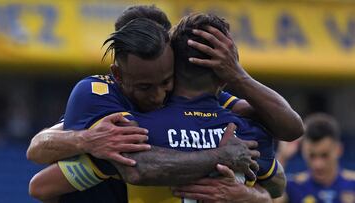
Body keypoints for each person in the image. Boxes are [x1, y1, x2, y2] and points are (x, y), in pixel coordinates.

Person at [27, 5, 302, 203]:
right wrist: (84, 140)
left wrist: (236, 74)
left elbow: (288, 130)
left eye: (165, 81)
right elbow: (38, 148)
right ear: (119, 73)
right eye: (145, 86)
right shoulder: (100, 99)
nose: (158, 95)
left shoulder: (207, 108)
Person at [275, 113, 355, 203]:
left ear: (338, 150)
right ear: (303, 151)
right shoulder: (294, 185)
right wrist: (282, 157)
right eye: (311, 156)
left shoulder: (353, 183)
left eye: (325, 155)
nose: (318, 165)